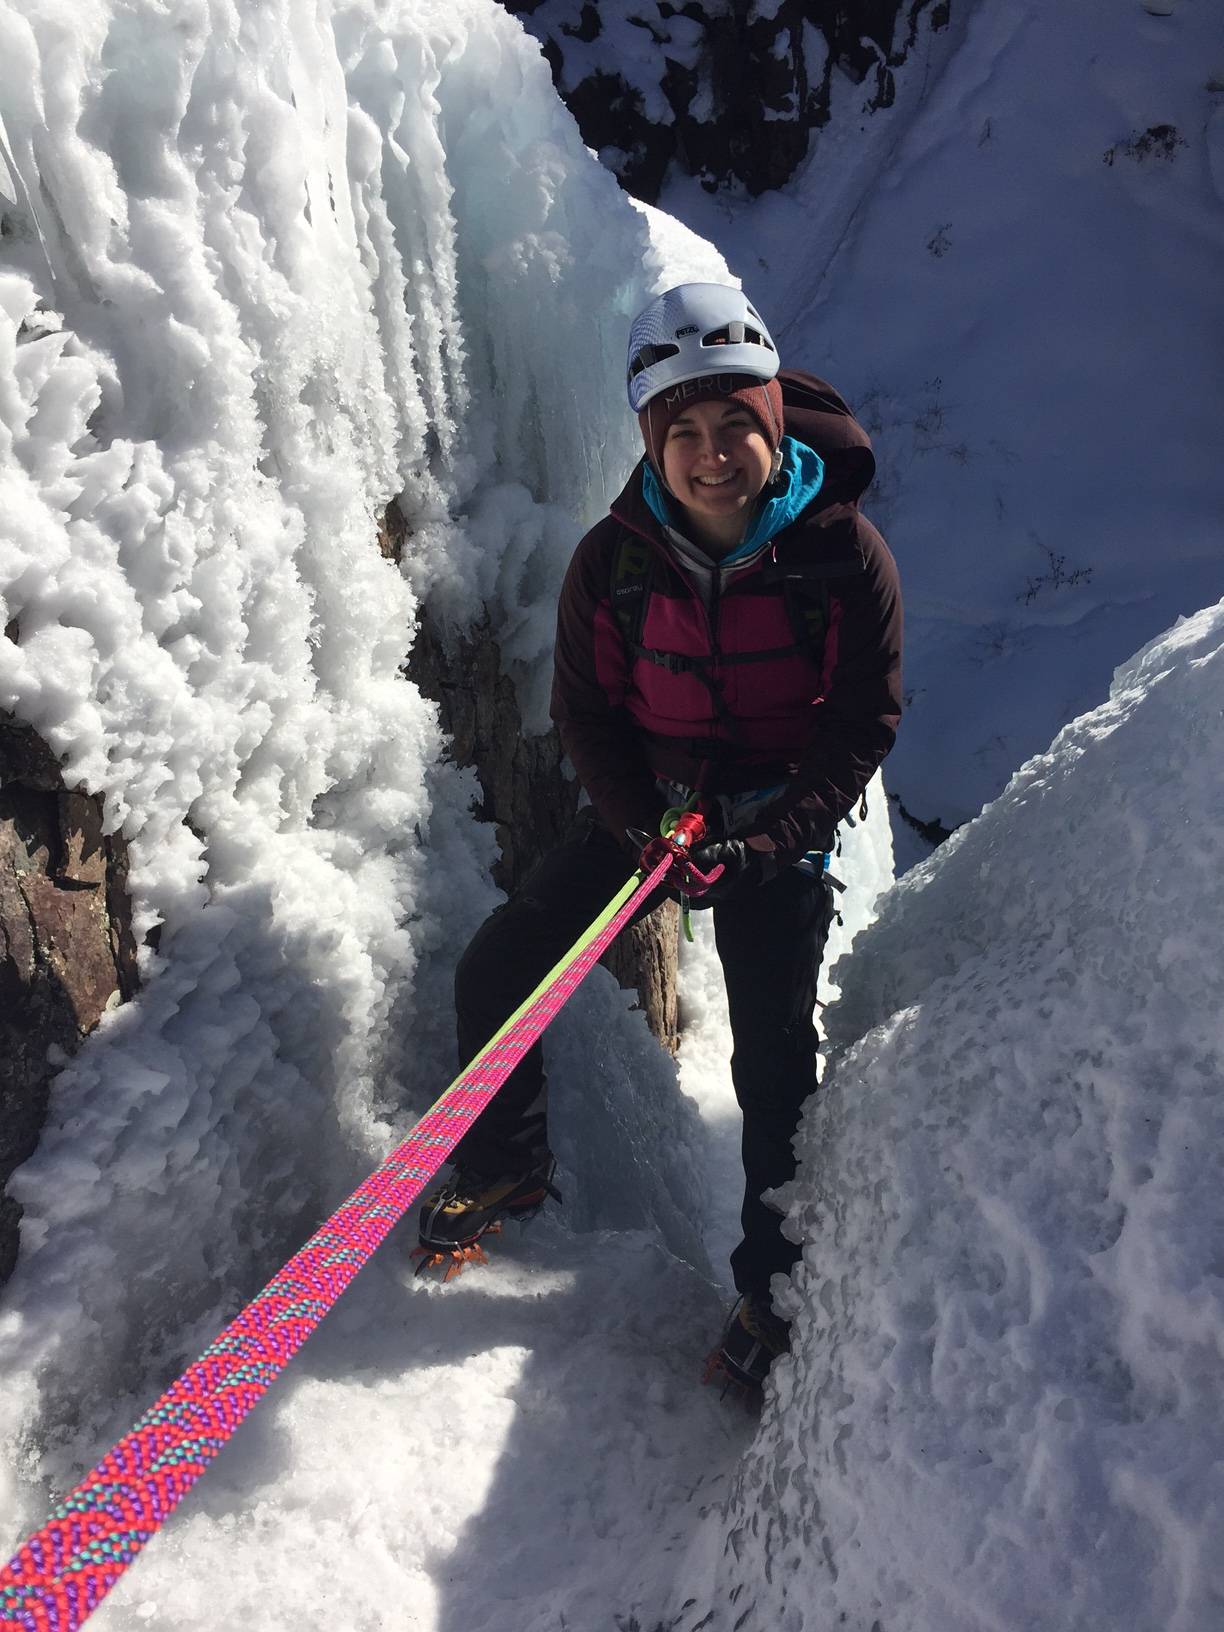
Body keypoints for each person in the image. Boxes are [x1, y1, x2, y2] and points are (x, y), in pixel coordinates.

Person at [418, 283, 902, 1388]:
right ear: (653, 442)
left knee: (774, 1058)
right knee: (502, 963)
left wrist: (773, 845)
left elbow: (862, 719)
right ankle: (508, 1165)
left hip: (780, 818)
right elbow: (586, 712)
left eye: (735, 420)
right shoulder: (615, 559)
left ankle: (768, 1286)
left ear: (774, 420)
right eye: (682, 430)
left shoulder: (844, 556)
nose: (712, 451)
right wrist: (644, 826)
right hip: (661, 815)